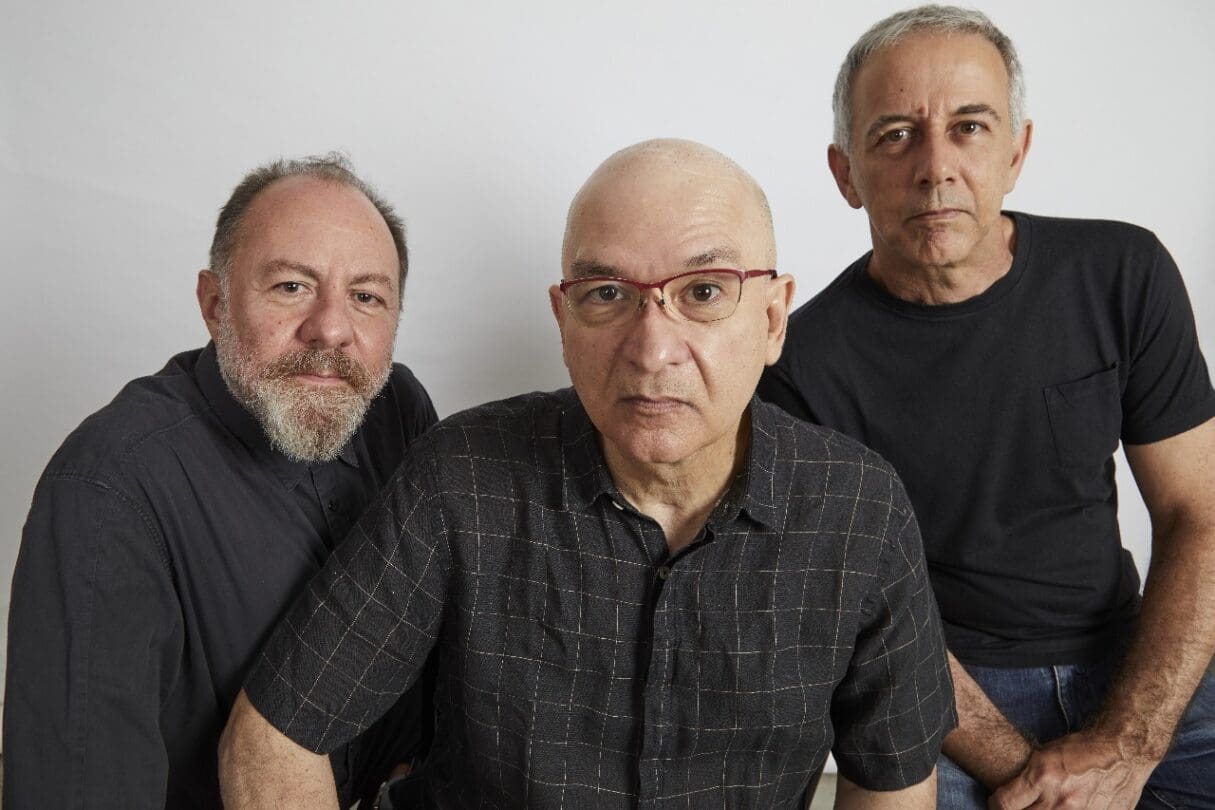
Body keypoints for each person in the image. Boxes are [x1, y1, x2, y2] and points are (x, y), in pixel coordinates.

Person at [216, 138, 956, 808]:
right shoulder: (460, 476)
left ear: (771, 319)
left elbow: (891, 780)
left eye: (703, 291)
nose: (652, 349)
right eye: (607, 295)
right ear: (563, 319)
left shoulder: (860, 513)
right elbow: (275, 735)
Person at [758, 6, 1215, 809]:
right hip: (942, 698)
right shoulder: (796, 364)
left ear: (1015, 151)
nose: (935, 167)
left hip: (1136, 667)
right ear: (844, 172)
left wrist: (1126, 745)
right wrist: (1028, 777)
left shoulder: (1121, 272)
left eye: (968, 127)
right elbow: (863, 610)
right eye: (895, 135)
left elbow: (1198, 512)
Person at [4, 154, 438, 809]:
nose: (331, 328)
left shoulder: (397, 410)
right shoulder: (107, 490)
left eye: (366, 297)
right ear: (214, 304)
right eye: (291, 286)